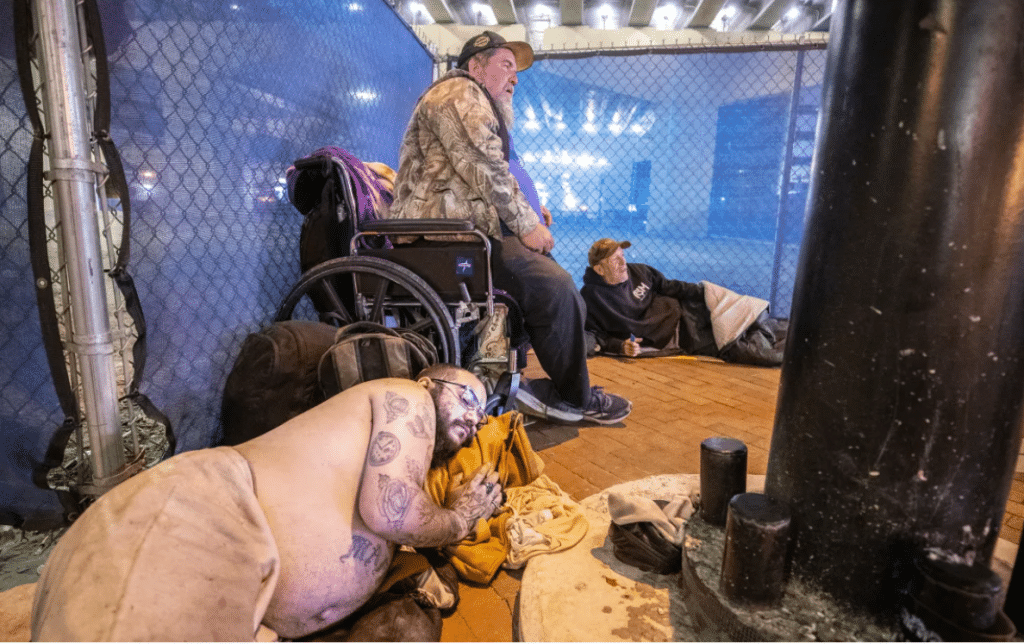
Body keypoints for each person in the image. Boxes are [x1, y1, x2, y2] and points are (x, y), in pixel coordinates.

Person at [30, 365, 504, 641]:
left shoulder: (406, 461)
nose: (476, 418)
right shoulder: (407, 397)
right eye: (468, 397)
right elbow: (391, 511)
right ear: (428, 381)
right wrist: (459, 518)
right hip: (205, 508)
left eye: (482, 415)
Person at [388, 31, 631, 425]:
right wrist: (526, 223)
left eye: (516, 71)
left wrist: (532, 210)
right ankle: (574, 399)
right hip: (443, 241)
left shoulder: (479, 103)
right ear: (475, 66)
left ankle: (531, 381)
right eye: (505, 65)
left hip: (466, 234)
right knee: (555, 287)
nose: (515, 77)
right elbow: (485, 167)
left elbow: (484, 172)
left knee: (551, 281)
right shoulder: (457, 92)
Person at [581, 239, 788, 367]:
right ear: (599, 269)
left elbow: (669, 286)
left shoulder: (639, 271)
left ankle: (792, 332)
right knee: (738, 347)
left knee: (746, 314)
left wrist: (705, 292)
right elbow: (597, 336)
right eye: (615, 260)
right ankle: (794, 351)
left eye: (622, 256)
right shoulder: (592, 299)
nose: (623, 263)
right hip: (682, 337)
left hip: (688, 310)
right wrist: (620, 346)